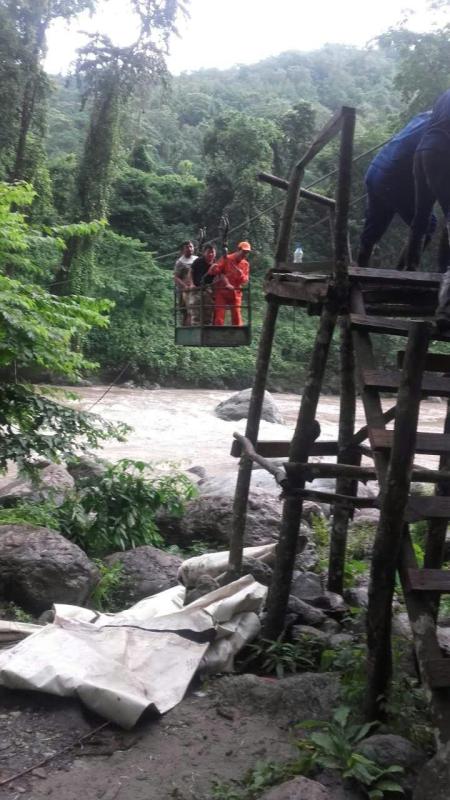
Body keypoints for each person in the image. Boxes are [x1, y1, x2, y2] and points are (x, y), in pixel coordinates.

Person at [357, 112, 436, 268]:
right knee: (427, 224)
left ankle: (358, 271)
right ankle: (401, 275)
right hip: (394, 178)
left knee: (374, 228)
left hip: (376, 171)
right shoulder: (442, 127)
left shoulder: (426, 116)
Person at [207, 241, 251, 326]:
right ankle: (218, 334)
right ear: (238, 250)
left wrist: (240, 274)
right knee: (219, 317)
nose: (245, 254)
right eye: (244, 252)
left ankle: (237, 335)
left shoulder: (245, 264)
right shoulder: (227, 258)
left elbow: (245, 280)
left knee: (237, 317)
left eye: (247, 253)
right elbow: (216, 271)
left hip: (235, 293)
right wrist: (214, 267)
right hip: (222, 291)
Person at [190, 244, 216, 325]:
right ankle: (196, 327)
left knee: (208, 311)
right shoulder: (198, 261)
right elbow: (190, 272)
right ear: (204, 253)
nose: (211, 254)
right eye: (209, 252)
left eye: (212, 252)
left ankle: (207, 328)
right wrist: (191, 284)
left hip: (208, 289)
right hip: (197, 288)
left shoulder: (215, 263)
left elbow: (217, 277)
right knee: (196, 310)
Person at [173, 241, 196, 326]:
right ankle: (186, 331)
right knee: (187, 312)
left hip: (195, 288)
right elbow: (176, 277)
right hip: (185, 290)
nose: (189, 249)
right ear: (182, 250)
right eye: (187, 247)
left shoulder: (196, 259)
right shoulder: (180, 262)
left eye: (191, 247)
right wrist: (184, 286)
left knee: (196, 310)